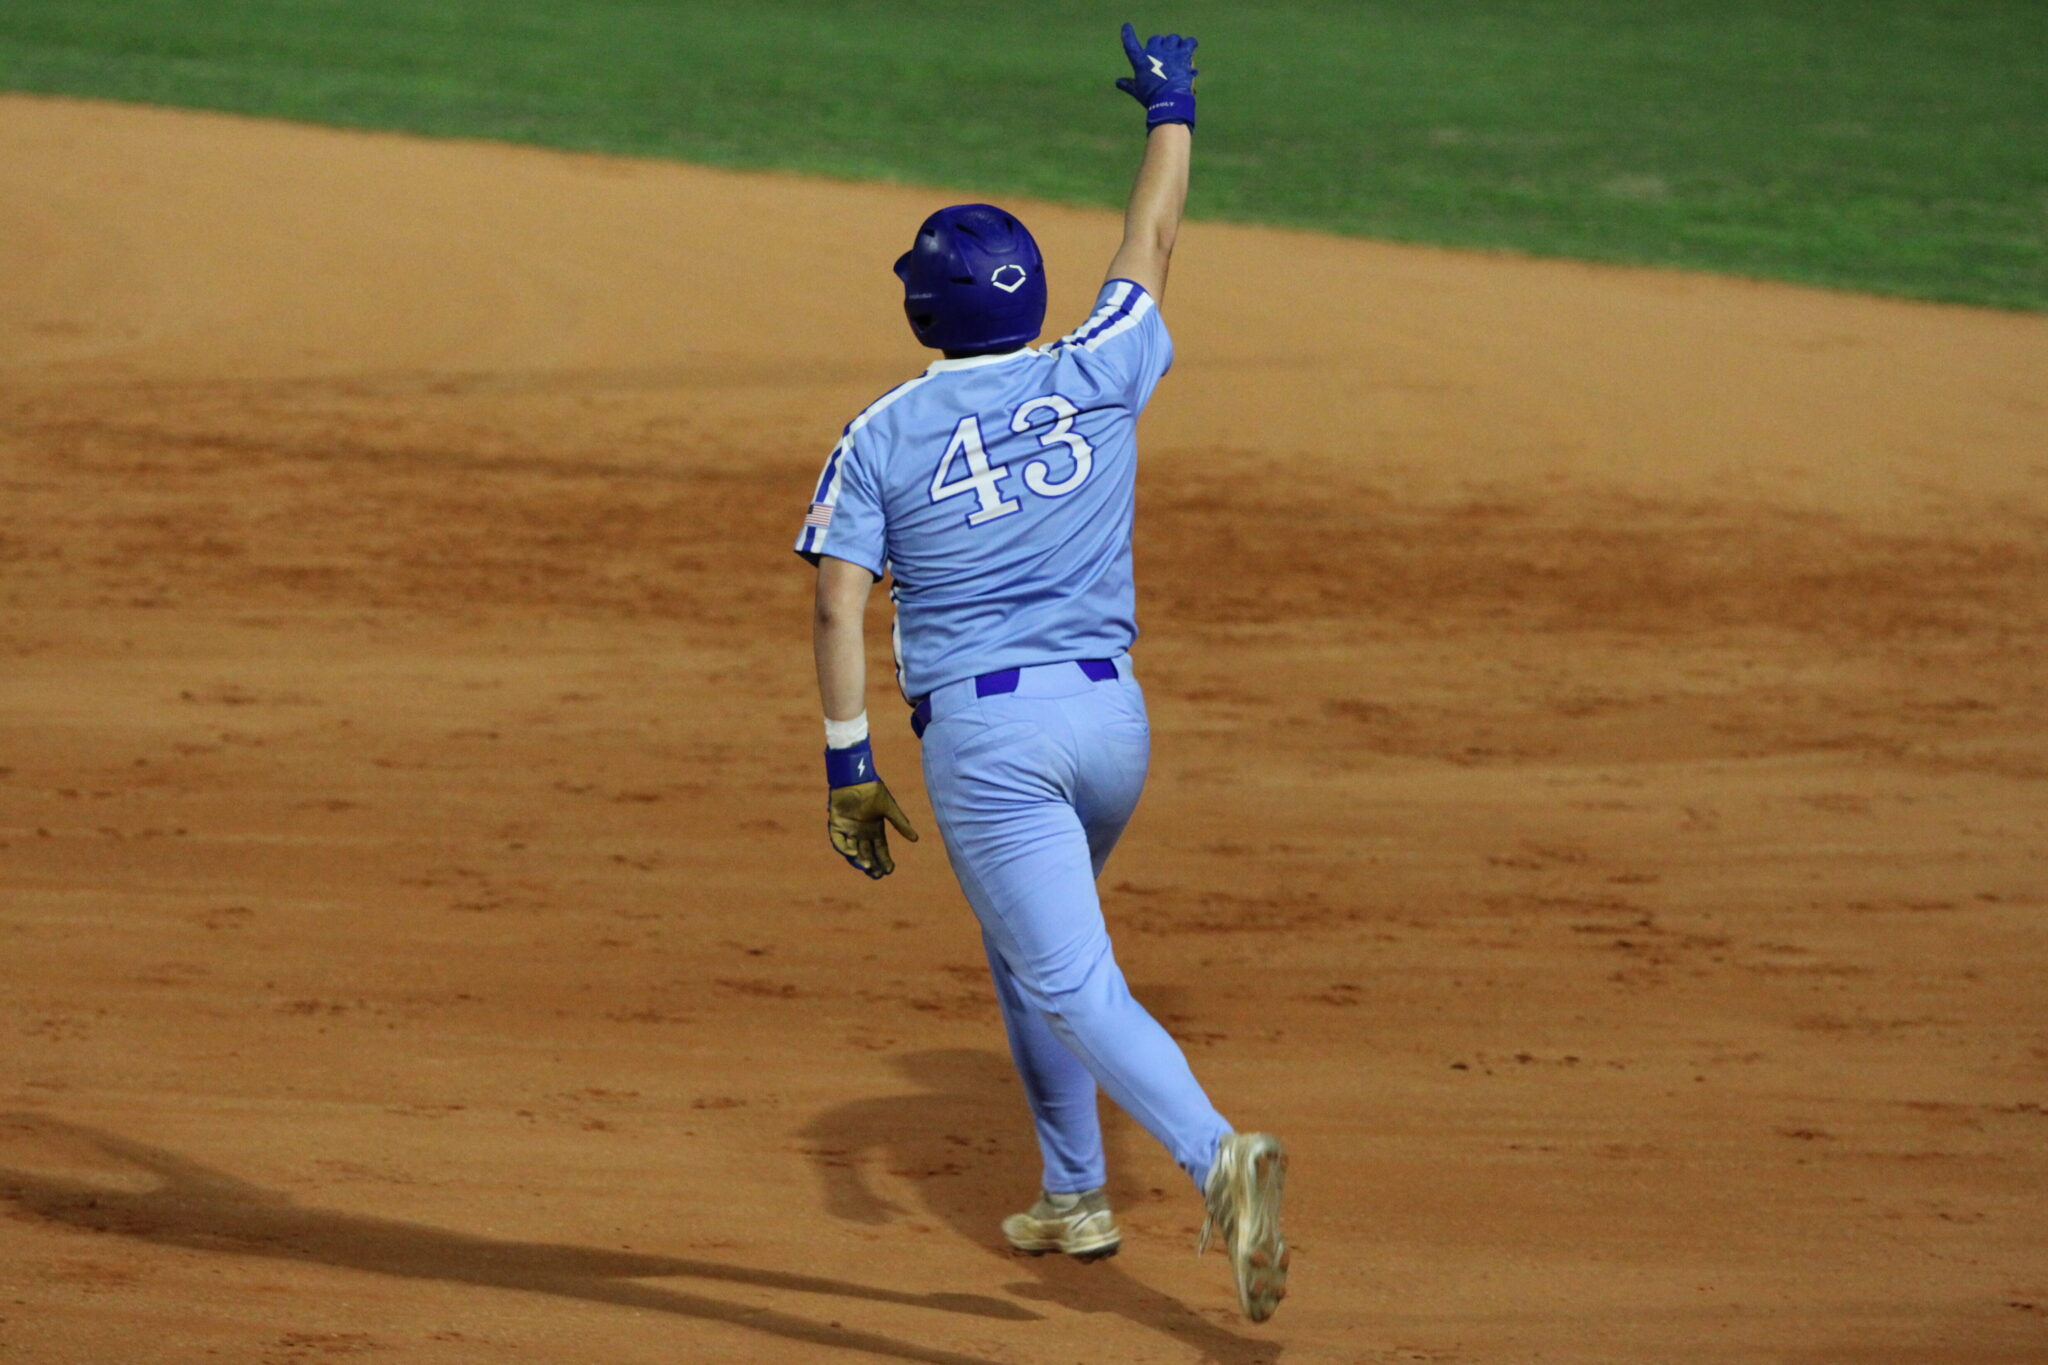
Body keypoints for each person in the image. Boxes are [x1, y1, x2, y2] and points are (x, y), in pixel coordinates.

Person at [794, 24, 1288, 1323]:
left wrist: (849, 763)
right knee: (1029, 955)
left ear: (924, 310)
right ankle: (1075, 1191)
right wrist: (1171, 105)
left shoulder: (881, 434)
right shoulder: (1096, 368)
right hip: (1112, 723)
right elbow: (1155, 239)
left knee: (1073, 977)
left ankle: (1217, 1158)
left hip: (993, 749)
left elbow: (840, 602)